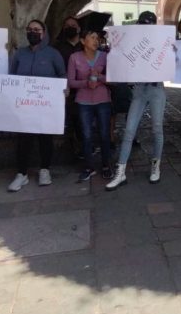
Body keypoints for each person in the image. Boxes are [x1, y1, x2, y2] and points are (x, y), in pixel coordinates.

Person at [107, 11, 169, 191]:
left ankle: (156, 164)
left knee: (157, 128)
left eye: (148, 24)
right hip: (140, 89)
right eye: (143, 24)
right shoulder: (133, 41)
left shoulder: (160, 41)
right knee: (129, 130)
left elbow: (171, 60)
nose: (145, 27)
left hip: (156, 88)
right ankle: (121, 170)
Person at [7, 19, 67, 192]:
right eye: (30, 29)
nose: (32, 32)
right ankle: (21, 174)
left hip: (45, 106)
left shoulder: (53, 54)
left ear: (44, 33)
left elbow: (62, 74)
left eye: (36, 29)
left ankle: (45, 170)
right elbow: (11, 76)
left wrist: (64, 89)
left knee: (45, 139)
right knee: (23, 140)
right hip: (24, 106)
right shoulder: (19, 54)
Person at [67, 28, 113, 181]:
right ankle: (89, 167)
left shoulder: (105, 57)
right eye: (92, 37)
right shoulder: (74, 58)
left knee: (105, 134)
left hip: (103, 100)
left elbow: (113, 78)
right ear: (82, 41)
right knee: (86, 135)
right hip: (83, 102)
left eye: (97, 38)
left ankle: (106, 165)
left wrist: (99, 77)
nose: (96, 40)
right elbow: (71, 82)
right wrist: (86, 83)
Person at [53, 15, 84, 160]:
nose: (69, 27)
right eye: (66, 26)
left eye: (72, 25)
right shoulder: (57, 47)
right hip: (64, 90)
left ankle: (82, 148)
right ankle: (69, 149)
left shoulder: (85, 46)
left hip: (83, 89)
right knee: (67, 119)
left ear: (79, 28)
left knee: (82, 120)